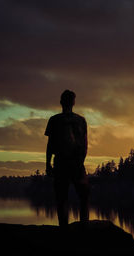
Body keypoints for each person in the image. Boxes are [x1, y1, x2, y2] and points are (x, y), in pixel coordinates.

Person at [45, 90, 89, 229]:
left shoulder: (54, 120)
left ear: (61, 102)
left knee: (62, 198)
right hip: (75, 164)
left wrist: (48, 164)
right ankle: (84, 227)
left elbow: (50, 145)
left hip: (61, 164)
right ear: (74, 102)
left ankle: (64, 228)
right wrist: (80, 162)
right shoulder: (81, 120)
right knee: (83, 197)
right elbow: (85, 144)